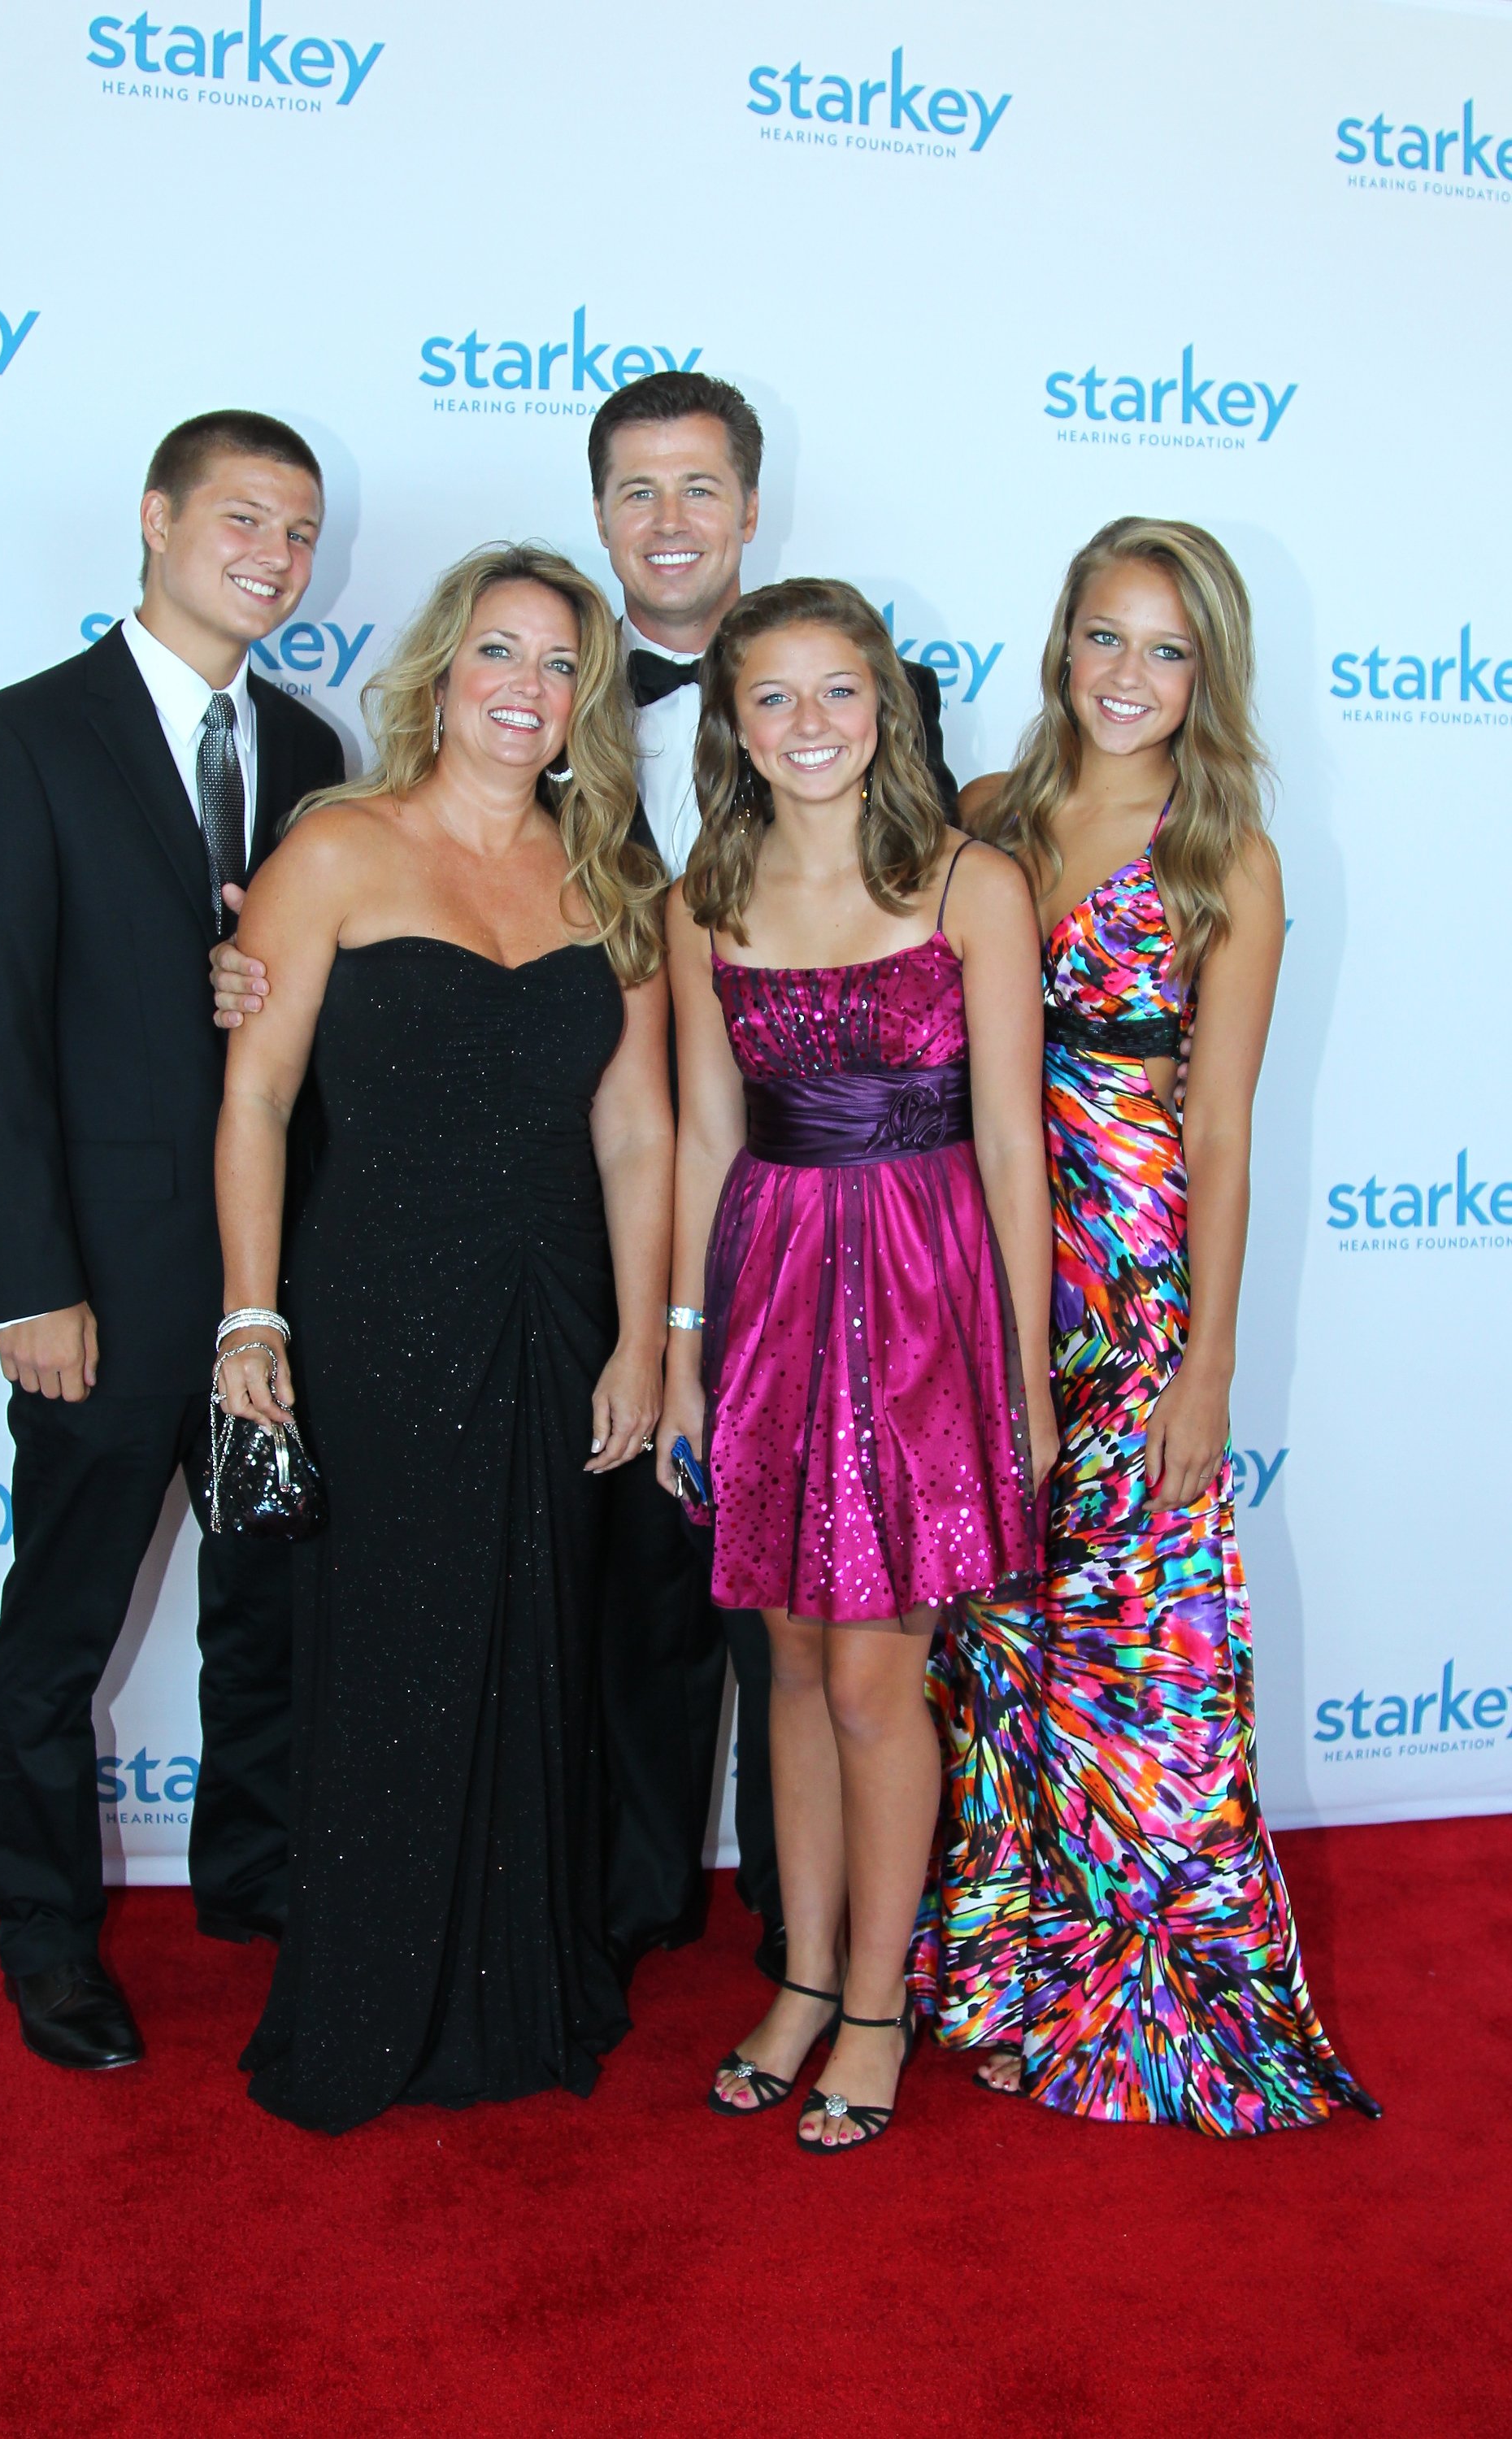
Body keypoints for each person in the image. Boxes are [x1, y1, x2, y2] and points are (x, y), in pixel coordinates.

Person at [209, 370, 958, 1990]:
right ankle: (616, 1910)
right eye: (635, 490)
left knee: (801, 1626)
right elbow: (306, 1040)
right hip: (557, 1242)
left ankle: (806, 1947)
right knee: (603, 1605)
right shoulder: (492, 798)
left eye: (699, 488)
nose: (670, 519)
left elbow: (929, 959)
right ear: (601, 511)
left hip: (817, 1232)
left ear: (749, 509)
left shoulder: (833, 704)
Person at [919, 517, 1377, 2133]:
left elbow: (1227, 1133)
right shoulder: (981, 820)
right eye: (1104, 638)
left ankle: (1158, 1993)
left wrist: (1209, 1367)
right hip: (968, 1283)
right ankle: (1002, 1970)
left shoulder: (1220, 856)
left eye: (1164, 650)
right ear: (1059, 647)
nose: (1127, 676)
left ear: (1207, 677)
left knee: (1142, 1660)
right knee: (993, 1644)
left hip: (1129, 1306)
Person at [212, 544, 671, 2136]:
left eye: (557, 666)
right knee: (394, 1647)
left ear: (582, 704)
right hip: (374, 1307)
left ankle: (513, 1983)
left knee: (536, 1639)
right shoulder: (337, 848)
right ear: (440, 670)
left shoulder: (610, 872)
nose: (524, 689)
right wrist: (250, 1314)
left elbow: (636, 1132)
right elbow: (257, 1095)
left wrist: (647, 1343)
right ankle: (368, 1992)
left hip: (557, 1313)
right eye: (499, 652)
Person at [0, 411, 346, 2068]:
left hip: (278, 1290)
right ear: (160, 517)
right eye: (244, 515)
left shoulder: (314, 756)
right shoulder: (21, 739)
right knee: (63, 1627)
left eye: (301, 530)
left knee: (269, 1611)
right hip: (98, 1288)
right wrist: (33, 1279)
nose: (273, 551)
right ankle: (44, 1934)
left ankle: (253, 1879)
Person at [656, 579, 1054, 2152]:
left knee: (884, 1676)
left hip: (922, 1296)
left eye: (839, 692)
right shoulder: (707, 893)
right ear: (734, 724)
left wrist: (1019, 1369)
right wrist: (685, 1351)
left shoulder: (972, 881)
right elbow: (701, 1134)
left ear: (883, 708)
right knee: (797, 1669)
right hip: (763, 1293)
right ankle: (807, 1977)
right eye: (774, 698)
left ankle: (880, 2008)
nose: (808, 724)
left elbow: (1015, 1146)